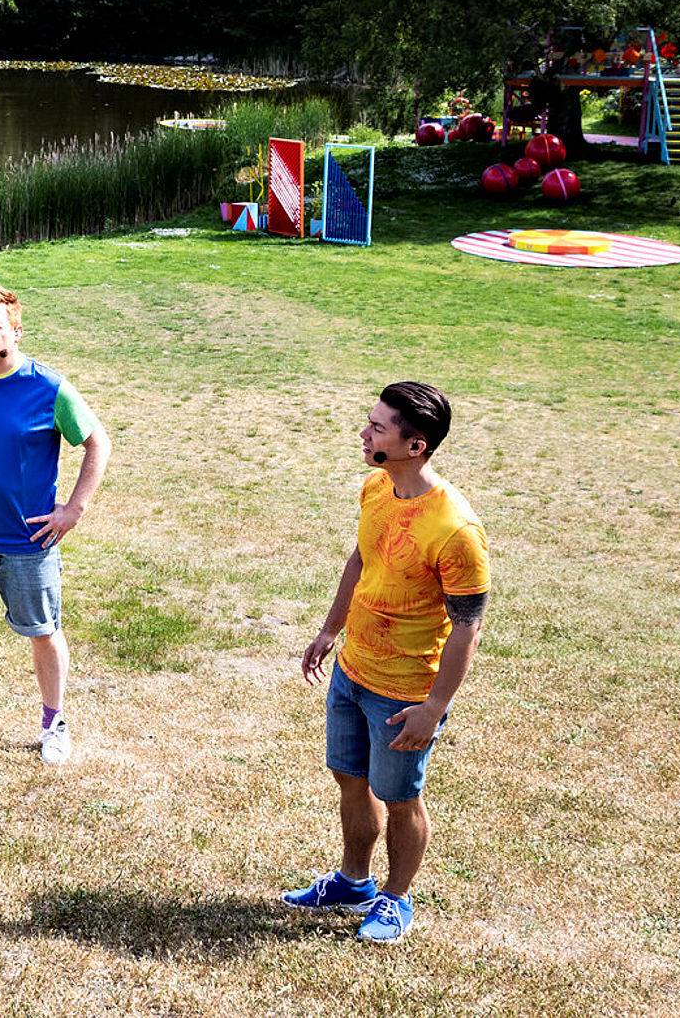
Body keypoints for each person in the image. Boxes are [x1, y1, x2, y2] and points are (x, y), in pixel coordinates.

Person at [281, 382, 490, 945]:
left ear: (415, 445)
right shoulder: (377, 487)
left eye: (377, 427)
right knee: (350, 779)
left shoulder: (455, 529)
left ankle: (396, 898)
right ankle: (353, 882)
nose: (364, 432)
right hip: (354, 669)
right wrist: (331, 628)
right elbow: (361, 558)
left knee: (400, 798)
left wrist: (435, 706)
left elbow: (468, 623)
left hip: (405, 692)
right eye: (369, 422)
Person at [0, 284, 110, 765]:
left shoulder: (47, 387)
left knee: (43, 630)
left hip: (28, 542)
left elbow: (98, 443)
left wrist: (74, 510)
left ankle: (54, 721)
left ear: (16, 329)